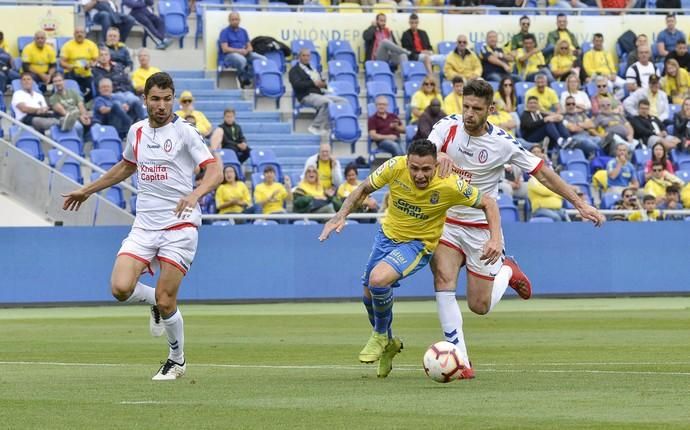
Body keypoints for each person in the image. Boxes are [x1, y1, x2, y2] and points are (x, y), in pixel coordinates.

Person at [426, 79, 604, 377]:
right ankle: (461, 361)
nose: (469, 113)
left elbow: (543, 174)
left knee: (479, 305)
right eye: (466, 106)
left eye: (476, 109)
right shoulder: (447, 126)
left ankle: (508, 270)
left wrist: (579, 203)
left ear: (490, 110)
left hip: (483, 227)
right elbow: (424, 150)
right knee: (443, 279)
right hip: (446, 222)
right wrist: (437, 155)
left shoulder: (502, 143)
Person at [62, 71, 223, 380]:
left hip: (179, 226)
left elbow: (215, 169)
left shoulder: (186, 132)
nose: (161, 105)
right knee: (120, 288)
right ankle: (153, 304)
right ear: (145, 100)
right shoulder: (136, 131)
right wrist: (87, 189)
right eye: (155, 99)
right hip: (144, 226)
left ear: (173, 99)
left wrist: (195, 194)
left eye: (167, 99)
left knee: (167, 299)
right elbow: (125, 166)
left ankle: (177, 360)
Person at [318, 139, 502, 379]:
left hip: (418, 244)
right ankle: (389, 344)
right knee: (368, 296)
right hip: (386, 237)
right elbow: (363, 188)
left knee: (377, 280)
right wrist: (341, 215)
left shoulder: (450, 184)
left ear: (436, 165)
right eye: (414, 168)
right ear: (407, 161)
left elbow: (488, 203)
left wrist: (495, 239)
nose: (419, 174)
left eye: (426, 169)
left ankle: (380, 336)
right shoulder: (395, 167)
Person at [288, 48, 347, 136]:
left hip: (320, 94)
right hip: (306, 95)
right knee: (327, 102)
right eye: (303, 55)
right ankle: (315, 126)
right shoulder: (294, 70)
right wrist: (313, 83)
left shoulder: (313, 69)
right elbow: (297, 85)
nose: (306, 58)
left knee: (343, 101)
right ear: (299, 57)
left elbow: (319, 83)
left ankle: (328, 127)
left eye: (308, 56)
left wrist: (323, 84)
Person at [93, 47, 147, 123]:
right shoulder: (95, 70)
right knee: (119, 104)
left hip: (126, 92)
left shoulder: (118, 66)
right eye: (101, 55)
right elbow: (101, 84)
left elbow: (127, 81)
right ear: (98, 57)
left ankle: (146, 123)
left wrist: (130, 91)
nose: (104, 57)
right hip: (112, 95)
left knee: (136, 101)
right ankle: (129, 125)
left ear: (109, 56)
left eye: (106, 54)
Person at [218, 12, 266, 87]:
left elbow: (250, 47)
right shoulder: (224, 32)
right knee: (242, 60)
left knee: (262, 59)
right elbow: (225, 49)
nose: (235, 21)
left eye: (236, 19)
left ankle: (247, 77)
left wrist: (247, 51)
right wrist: (239, 51)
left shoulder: (243, 31)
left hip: (244, 53)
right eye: (232, 20)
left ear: (239, 20)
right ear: (229, 21)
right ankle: (242, 77)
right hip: (229, 56)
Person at [60, 27, 99, 100]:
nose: (79, 34)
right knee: (72, 91)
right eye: (77, 32)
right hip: (71, 73)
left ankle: (87, 105)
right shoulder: (67, 45)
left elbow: (96, 60)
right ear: (74, 34)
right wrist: (71, 66)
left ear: (85, 34)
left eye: (81, 32)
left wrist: (91, 64)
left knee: (92, 88)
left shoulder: (91, 45)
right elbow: (62, 62)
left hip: (87, 73)